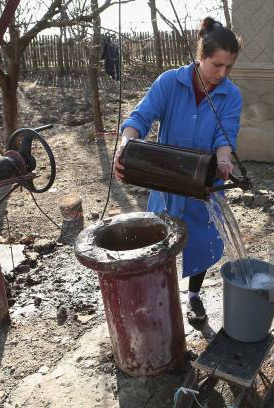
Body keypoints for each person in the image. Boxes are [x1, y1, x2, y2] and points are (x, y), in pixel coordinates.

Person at [114, 17, 242, 324]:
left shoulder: (230, 95)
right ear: (201, 57)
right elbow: (140, 118)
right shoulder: (170, 82)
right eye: (216, 65)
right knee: (161, 240)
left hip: (202, 182)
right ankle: (161, 296)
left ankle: (194, 295)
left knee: (200, 242)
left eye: (229, 67)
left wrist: (224, 161)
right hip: (167, 180)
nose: (222, 74)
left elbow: (225, 136)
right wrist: (126, 145)